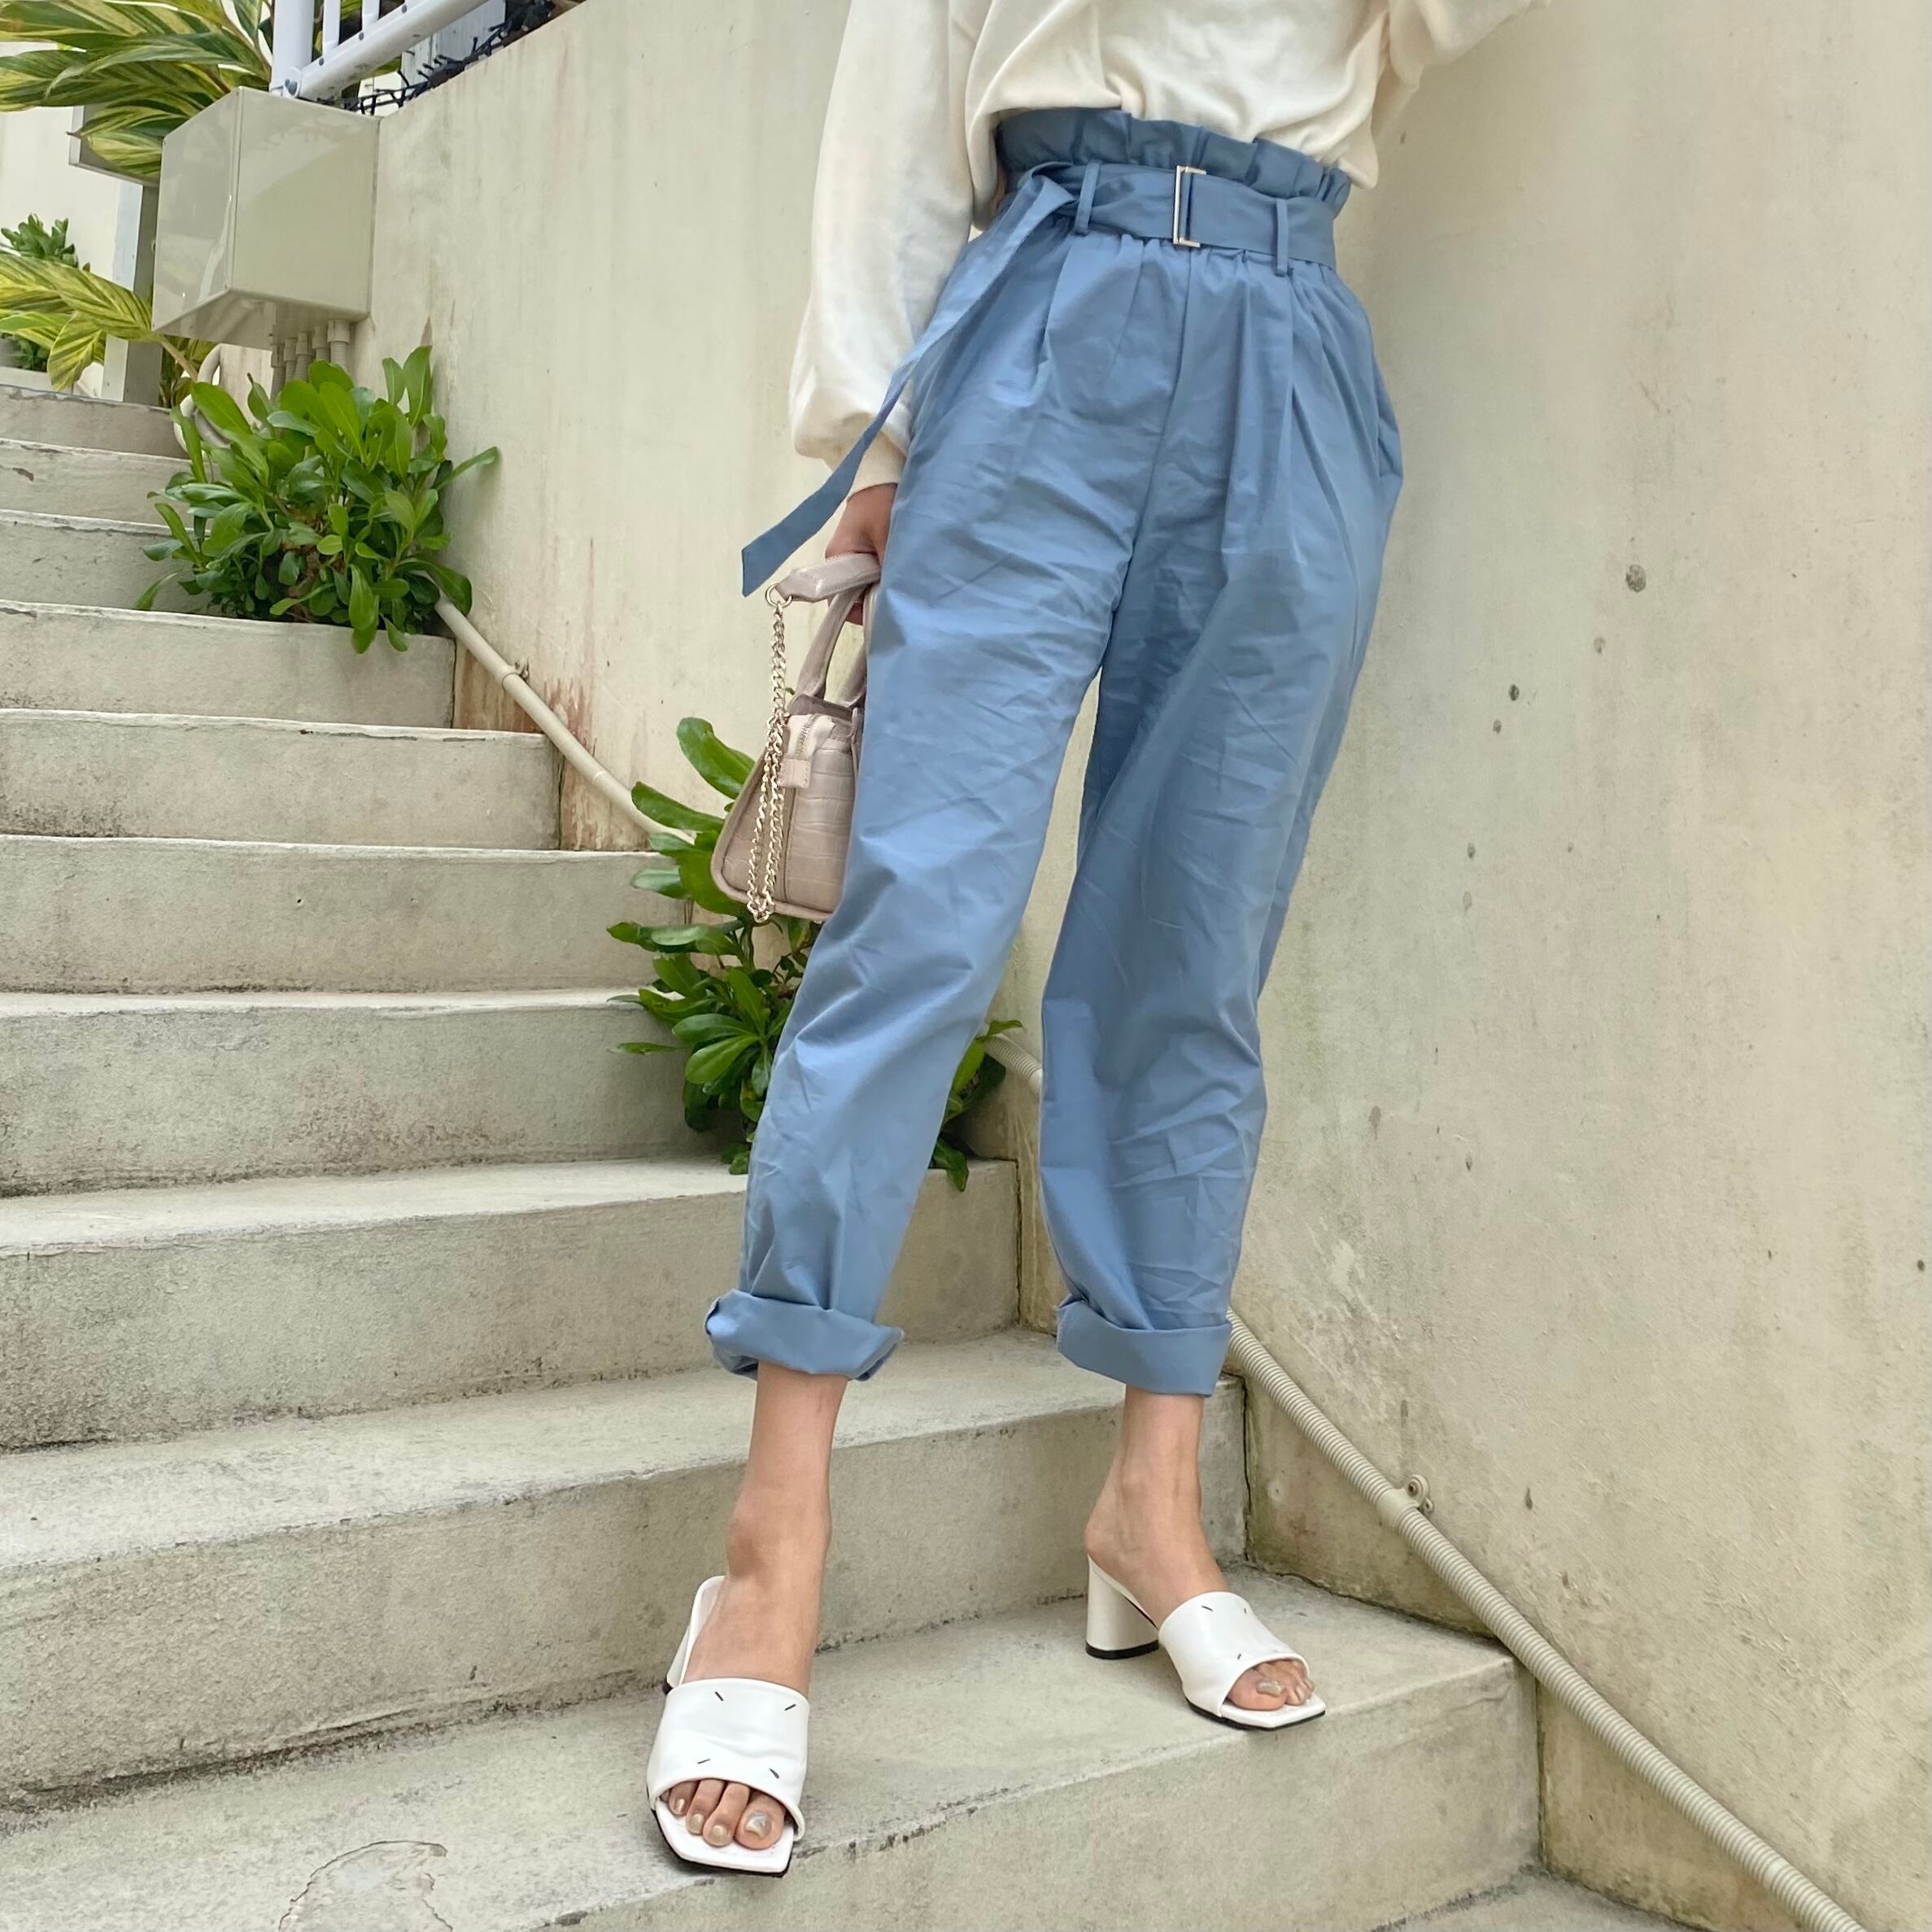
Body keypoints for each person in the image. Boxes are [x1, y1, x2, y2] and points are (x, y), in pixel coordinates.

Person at [647, 0, 1545, 1877]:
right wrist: (866, 442)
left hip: (1294, 328)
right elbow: (904, 90)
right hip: (1048, 305)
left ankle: (1153, 1508)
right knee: (919, 920)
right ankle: (769, 1549)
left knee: (1192, 952)